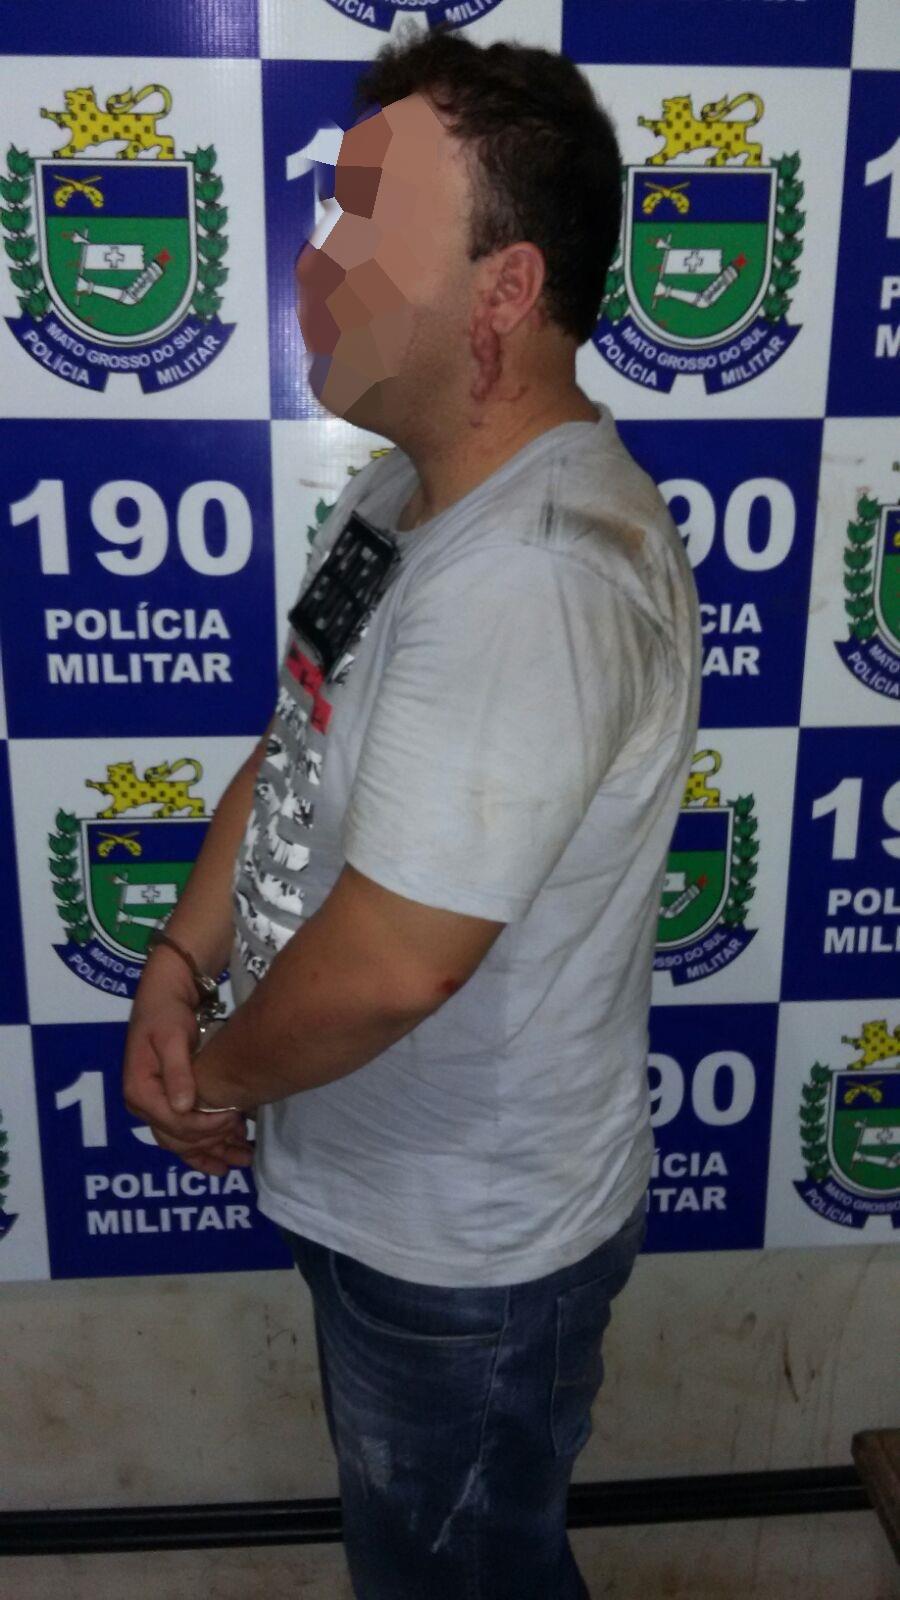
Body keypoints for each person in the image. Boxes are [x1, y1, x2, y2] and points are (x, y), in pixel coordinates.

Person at [123, 28, 701, 1600]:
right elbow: (295, 741)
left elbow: (394, 966)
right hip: (374, 1189)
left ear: (505, 291)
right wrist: (181, 963)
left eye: (365, 222)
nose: (316, 261)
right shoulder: (404, 495)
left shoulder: (540, 576)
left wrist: (208, 1080)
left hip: (466, 1257)